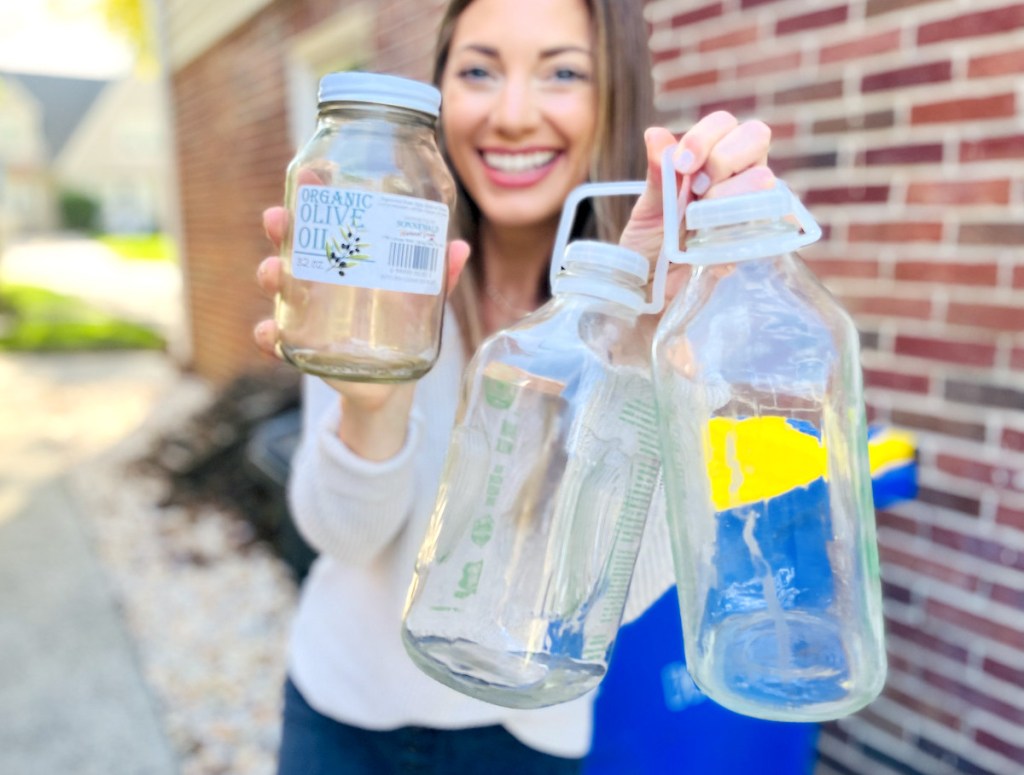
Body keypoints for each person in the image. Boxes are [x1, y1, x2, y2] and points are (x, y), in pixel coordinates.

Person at [253, 0, 773, 772]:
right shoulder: (381, 259)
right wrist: (373, 404)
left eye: (562, 71)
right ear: (436, 95)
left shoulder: (658, 300)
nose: (513, 113)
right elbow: (340, 535)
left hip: (524, 731)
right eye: (478, 71)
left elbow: (618, 597)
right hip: (338, 709)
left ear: (615, 97)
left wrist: (643, 344)